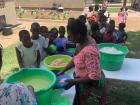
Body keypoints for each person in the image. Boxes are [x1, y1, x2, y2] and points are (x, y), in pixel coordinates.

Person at [57, 19, 106, 105]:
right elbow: (75, 58)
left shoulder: (89, 51)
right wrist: (63, 70)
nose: (69, 38)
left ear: (78, 35)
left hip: (90, 85)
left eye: (70, 35)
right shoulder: (81, 41)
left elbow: (94, 77)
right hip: (81, 80)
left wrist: (74, 82)